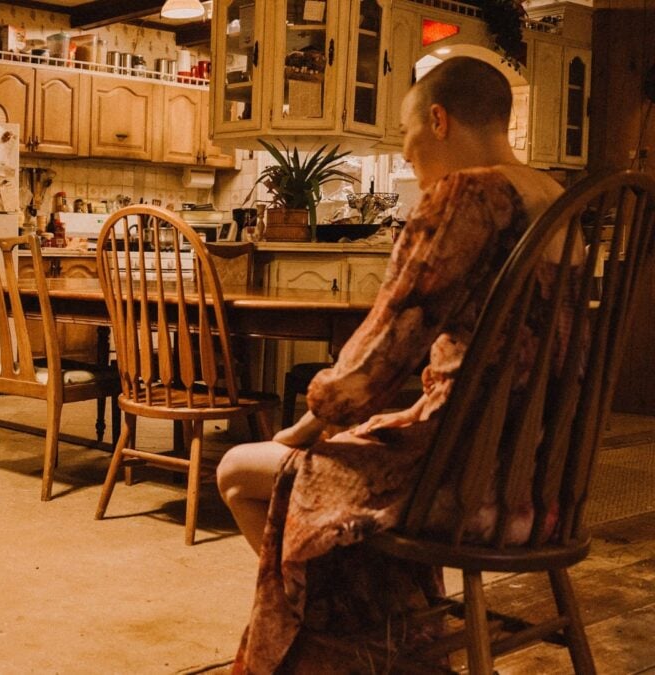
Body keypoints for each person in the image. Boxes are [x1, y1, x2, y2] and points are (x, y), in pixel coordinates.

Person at [216, 57, 575, 673]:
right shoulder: (558, 200)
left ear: (437, 120)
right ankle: (391, 641)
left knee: (236, 470)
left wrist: (307, 423)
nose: (408, 156)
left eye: (407, 139)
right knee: (357, 461)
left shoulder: (470, 194)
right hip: (542, 481)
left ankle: (342, 653)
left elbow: (383, 352)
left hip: (462, 483)